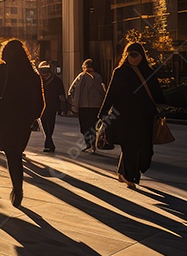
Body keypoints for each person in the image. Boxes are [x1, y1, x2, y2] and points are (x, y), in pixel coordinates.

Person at [0, 40, 45, 207]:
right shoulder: (32, 75)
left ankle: (17, 188)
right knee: (16, 153)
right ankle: (18, 188)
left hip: (4, 120)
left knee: (11, 155)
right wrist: (31, 118)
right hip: (23, 121)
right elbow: (40, 102)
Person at [97, 42, 165, 189]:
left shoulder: (148, 72)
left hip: (145, 117)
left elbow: (157, 93)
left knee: (146, 151)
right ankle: (131, 177)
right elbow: (111, 93)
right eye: (130, 54)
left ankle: (125, 172)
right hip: (124, 117)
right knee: (130, 147)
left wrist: (163, 107)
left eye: (136, 54)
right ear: (126, 55)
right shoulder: (120, 72)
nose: (133, 58)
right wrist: (103, 113)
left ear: (142, 56)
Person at [67, 59, 106, 153]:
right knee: (93, 126)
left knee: (85, 126)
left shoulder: (81, 76)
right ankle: (93, 145)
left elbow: (72, 90)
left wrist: (73, 102)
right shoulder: (98, 77)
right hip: (96, 106)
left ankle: (89, 144)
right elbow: (103, 92)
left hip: (83, 106)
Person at [38, 61, 65, 153]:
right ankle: (49, 140)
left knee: (47, 123)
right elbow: (61, 95)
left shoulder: (40, 80)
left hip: (47, 106)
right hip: (49, 106)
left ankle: (48, 141)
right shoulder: (56, 80)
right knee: (48, 123)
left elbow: (61, 94)